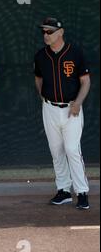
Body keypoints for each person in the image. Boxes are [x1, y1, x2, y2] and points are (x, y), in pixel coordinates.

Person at [34, 17, 91, 209]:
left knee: (72, 150)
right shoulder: (41, 56)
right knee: (56, 150)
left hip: (71, 109)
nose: (46, 35)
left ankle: (82, 192)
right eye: (44, 31)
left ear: (60, 32)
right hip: (50, 108)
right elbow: (38, 79)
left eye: (49, 32)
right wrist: (44, 98)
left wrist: (78, 103)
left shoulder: (75, 53)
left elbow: (86, 82)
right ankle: (64, 190)